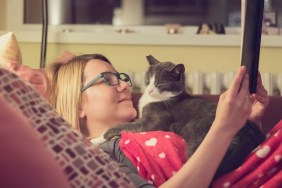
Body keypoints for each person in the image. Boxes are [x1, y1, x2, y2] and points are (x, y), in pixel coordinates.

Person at [8, 53, 269, 187]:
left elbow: (226, 162)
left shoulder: (156, 121)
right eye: (107, 80)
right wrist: (223, 129)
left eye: (121, 77)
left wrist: (249, 126)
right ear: (78, 106)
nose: (124, 85)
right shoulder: (101, 156)